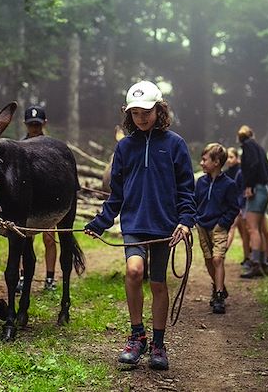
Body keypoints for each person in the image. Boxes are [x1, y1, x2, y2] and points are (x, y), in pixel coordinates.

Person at [84, 80, 196, 371]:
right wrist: (100, 222)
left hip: (164, 227)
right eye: (135, 113)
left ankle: (158, 343)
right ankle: (137, 335)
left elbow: (186, 189)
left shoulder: (176, 145)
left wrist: (185, 221)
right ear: (128, 115)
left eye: (147, 111)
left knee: (158, 284)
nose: (142, 117)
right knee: (134, 272)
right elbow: (117, 194)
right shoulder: (125, 147)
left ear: (160, 110)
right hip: (134, 223)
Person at [15, 105, 58, 292]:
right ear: (25, 124)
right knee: (24, 240)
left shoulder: (52, 148)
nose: (34, 128)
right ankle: (24, 277)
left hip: (47, 199)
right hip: (26, 201)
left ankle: (50, 278)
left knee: (49, 238)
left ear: (44, 123)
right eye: (31, 124)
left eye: (37, 124)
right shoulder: (17, 148)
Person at [194, 143, 240, 314]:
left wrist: (222, 223)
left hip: (218, 227)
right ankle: (219, 286)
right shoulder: (200, 182)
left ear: (216, 162)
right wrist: (195, 219)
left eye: (205, 160)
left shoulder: (229, 184)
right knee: (208, 259)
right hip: (202, 226)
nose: (201, 163)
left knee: (217, 259)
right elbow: (194, 202)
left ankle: (219, 295)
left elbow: (234, 208)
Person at [237, 125, 268, 278]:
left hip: (256, 190)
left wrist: (249, 185)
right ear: (252, 135)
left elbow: (252, 166)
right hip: (264, 189)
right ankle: (263, 265)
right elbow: (267, 168)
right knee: (259, 228)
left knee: (252, 228)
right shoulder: (260, 148)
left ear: (240, 138)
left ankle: (255, 264)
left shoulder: (248, 147)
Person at [224, 147, 251, 275]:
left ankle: (223, 253)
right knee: (241, 232)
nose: (229, 160)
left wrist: (239, 207)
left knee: (238, 230)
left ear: (237, 158)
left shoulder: (241, 172)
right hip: (232, 206)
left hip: (241, 206)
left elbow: (242, 191)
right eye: (227, 157)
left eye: (231, 157)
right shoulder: (226, 173)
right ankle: (247, 257)